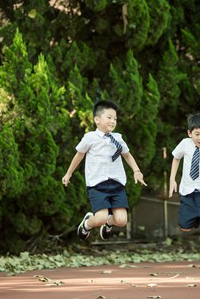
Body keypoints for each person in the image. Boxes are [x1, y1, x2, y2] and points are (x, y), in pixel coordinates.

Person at [62, 100, 146, 241]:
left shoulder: (118, 138)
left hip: (117, 183)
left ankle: (109, 223)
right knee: (99, 218)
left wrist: (136, 170)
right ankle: (87, 224)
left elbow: (126, 154)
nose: (113, 121)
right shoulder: (90, 138)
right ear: (97, 119)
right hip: (97, 184)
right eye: (109, 117)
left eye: (115, 119)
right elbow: (79, 154)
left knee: (121, 220)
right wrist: (68, 173)